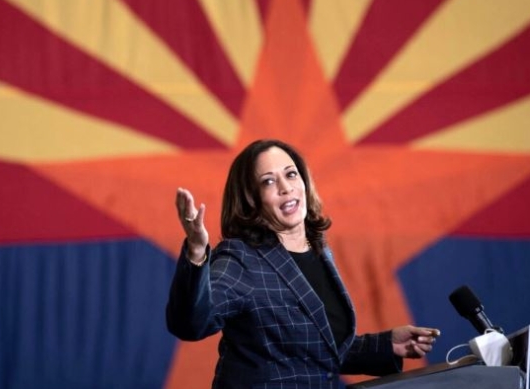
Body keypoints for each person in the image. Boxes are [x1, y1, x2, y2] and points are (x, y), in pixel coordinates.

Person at [166, 139, 440, 388]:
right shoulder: (241, 259)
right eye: (268, 182)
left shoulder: (318, 249)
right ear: (251, 199)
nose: (286, 188)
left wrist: (385, 345)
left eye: (290, 174)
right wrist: (197, 251)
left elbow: (313, 350)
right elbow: (192, 325)